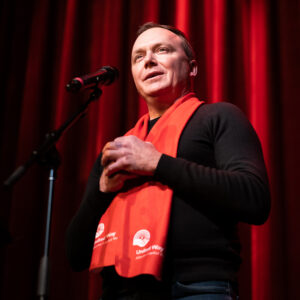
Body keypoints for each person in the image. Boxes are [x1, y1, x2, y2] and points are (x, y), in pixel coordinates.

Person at [66, 22, 270, 300]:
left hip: (196, 287)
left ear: (192, 67)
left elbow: (254, 199)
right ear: (134, 75)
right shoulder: (119, 150)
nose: (148, 60)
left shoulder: (218, 117)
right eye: (139, 57)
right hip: (121, 292)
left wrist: (158, 164)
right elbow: (76, 256)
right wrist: (101, 193)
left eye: (162, 50)